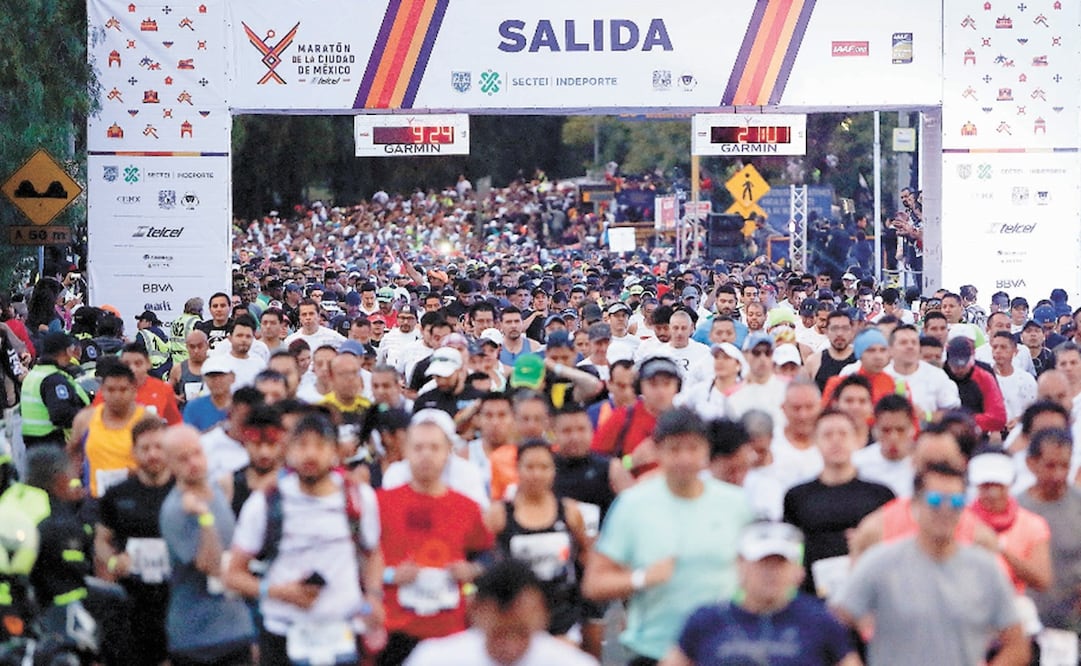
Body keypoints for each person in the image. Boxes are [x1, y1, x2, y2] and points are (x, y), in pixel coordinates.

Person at [583, 408, 753, 665]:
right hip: (652, 649)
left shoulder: (736, 504)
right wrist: (641, 578)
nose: (684, 458)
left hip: (722, 649)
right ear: (657, 451)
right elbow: (594, 583)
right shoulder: (633, 505)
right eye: (674, 449)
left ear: (706, 452)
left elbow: (755, 573)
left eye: (693, 448)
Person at [832, 463, 1030, 665]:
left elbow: (1017, 645)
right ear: (915, 504)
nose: (945, 510)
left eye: (955, 501)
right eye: (935, 500)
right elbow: (831, 626)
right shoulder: (881, 563)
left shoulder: (984, 569)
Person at [226, 411, 381, 666]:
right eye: (302, 445)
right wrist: (278, 592)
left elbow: (372, 553)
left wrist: (374, 597)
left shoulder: (358, 498)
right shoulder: (266, 503)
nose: (310, 454)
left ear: (335, 451)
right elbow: (233, 574)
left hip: (342, 631)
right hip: (283, 632)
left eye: (320, 445)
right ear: (287, 450)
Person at [372, 409, 494, 665]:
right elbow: (360, 559)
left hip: (449, 631)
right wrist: (391, 576)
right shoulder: (381, 503)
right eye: (418, 448)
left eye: (434, 447)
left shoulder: (466, 507)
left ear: (448, 451)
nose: (426, 455)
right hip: (396, 627)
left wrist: (471, 570)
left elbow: (488, 556)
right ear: (405, 451)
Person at [660, 522, 858, 666]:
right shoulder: (706, 621)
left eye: (780, 564)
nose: (771, 573)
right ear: (740, 565)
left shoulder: (820, 621)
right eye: (762, 564)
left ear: (797, 571)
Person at [159, 424, 255, 665]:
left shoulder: (217, 490)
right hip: (197, 638)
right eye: (183, 458)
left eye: (197, 453)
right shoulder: (176, 509)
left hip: (237, 627)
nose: (193, 462)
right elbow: (211, 565)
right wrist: (204, 517)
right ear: (170, 465)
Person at [783, 410, 894, 598]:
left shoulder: (880, 495)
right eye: (827, 435)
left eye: (843, 434)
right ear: (815, 442)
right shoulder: (797, 497)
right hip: (813, 596)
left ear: (857, 440)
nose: (836, 441)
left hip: (870, 592)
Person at [402, 560, 598, 666]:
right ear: (475, 613)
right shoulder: (434, 659)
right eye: (500, 635)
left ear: (543, 616)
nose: (511, 648)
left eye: (521, 633)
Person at [487, 439, 590, 640]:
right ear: (517, 469)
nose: (536, 474)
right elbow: (480, 558)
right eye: (530, 467)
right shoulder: (498, 515)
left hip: (562, 615)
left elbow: (585, 554)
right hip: (514, 618)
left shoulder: (570, 512)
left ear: (554, 470)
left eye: (544, 467)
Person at [94, 415, 174, 666]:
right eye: (145, 448)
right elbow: (101, 540)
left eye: (159, 447)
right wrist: (113, 562)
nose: (152, 455)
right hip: (134, 600)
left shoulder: (185, 491)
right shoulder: (117, 495)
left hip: (178, 597)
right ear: (134, 451)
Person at [1018, 428, 1081, 632]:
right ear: (1031, 463)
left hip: (1073, 622)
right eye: (1050, 466)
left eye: (1064, 466)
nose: (1058, 475)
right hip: (1026, 623)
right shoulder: (1016, 509)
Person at [69, 361, 147, 498]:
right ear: (102, 391)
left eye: (123, 390)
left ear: (134, 391)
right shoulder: (85, 419)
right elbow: (72, 453)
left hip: (135, 499)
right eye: (111, 390)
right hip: (95, 499)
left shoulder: (146, 420)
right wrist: (74, 483)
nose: (117, 396)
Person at [20, 331, 90, 450]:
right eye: (71, 349)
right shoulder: (54, 379)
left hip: (34, 444)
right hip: (54, 444)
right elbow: (61, 414)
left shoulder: (35, 373)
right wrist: (88, 415)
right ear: (65, 351)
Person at [182, 354, 234, 432]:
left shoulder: (243, 406)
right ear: (204, 379)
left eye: (221, 376)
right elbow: (189, 437)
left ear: (232, 377)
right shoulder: (194, 407)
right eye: (212, 376)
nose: (217, 381)